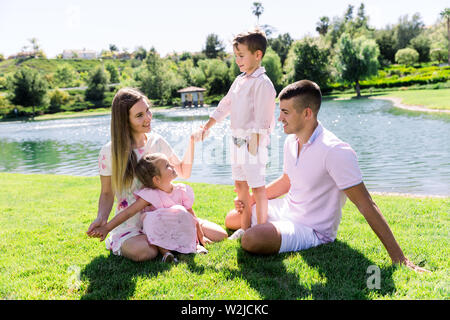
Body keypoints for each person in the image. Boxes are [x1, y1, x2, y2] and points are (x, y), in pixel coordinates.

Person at [226, 80, 428, 272]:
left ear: (307, 113)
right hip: (287, 210)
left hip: (311, 229)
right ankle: (266, 225)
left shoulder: (335, 151)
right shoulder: (291, 142)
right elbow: (287, 181)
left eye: (285, 112)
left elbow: (366, 204)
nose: (280, 118)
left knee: (250, 239)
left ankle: (267, 230)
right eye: (280, 111)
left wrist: (399, 257)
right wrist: (253, 199)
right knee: (232, 219)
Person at [87, 87, 227, 262]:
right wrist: (101, 218)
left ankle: (178, 234)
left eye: (147, 111)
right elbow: (107, 193)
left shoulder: (157, 142)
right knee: (146, 252)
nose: (148, 118)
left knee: (220, 234)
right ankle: (170, 242)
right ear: (125, 120)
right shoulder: (109, 152)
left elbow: (183, 171)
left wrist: (192, 142)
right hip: (131, 225)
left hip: (164, 216)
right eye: (139, 115)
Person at [200, 29, 276, 240]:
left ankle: (262, 229)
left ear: (258, 55)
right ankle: (245, 228)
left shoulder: (263, 83)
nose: (237, 60)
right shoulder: (240, 80)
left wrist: (254, 144)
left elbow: (264, 119)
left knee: (257, 188)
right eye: (236, 56)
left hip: (253, 145)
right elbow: (226, 104)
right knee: (240, 186)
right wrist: (208, 125)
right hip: (236, 143)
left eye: (241, 55)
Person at [90, 153, 210, 263]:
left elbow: (191, 216)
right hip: (161, 232)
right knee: (152, 218)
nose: (172, 165)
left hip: (177, 230)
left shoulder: (182, 190)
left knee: (183, 214)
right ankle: (166, 253)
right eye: (167, 165)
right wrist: (107, 228)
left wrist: (201, 236)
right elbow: (128, 213)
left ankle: (195, 245)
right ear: (156, 179)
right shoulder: (150, 194)